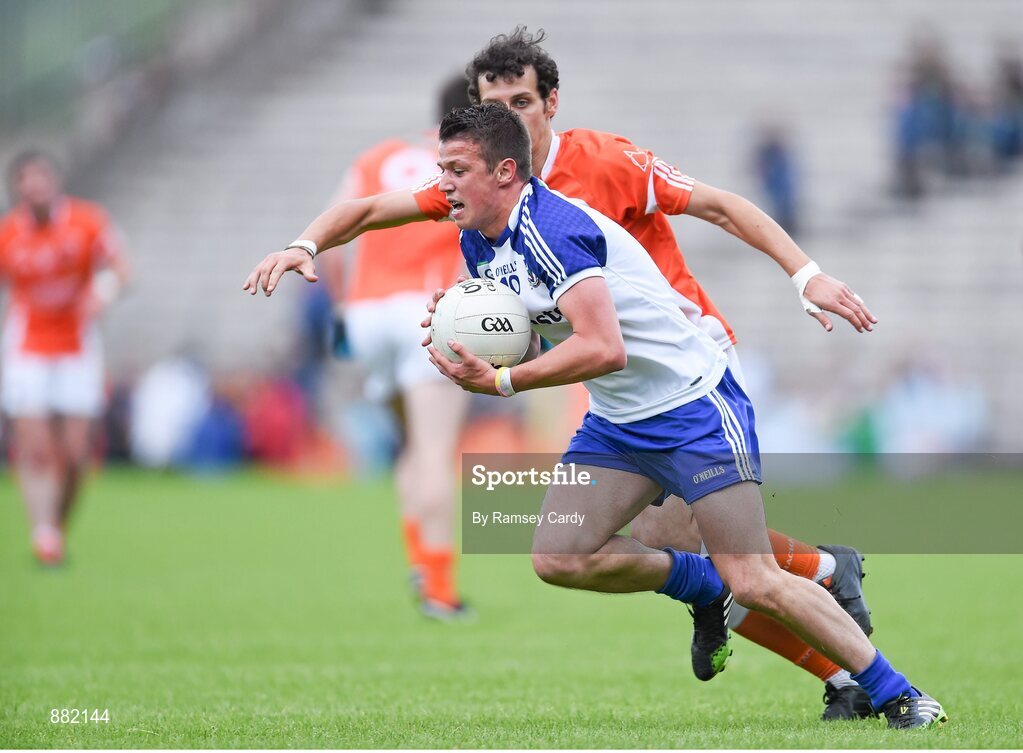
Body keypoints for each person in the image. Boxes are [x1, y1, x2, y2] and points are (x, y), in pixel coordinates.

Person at [242, 29, 879, 720]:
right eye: (496, 103)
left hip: (684, 359)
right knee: (678, 549)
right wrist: (303, 244)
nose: (512, 114)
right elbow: (368, 212)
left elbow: (720, 204)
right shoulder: (484, 180)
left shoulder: (604, 161)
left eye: (523, 100)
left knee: (699, 555)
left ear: (551, 102)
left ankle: (843, 661)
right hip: (611, 378)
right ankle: (823, 579)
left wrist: (806, 275)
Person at [423, 102, 946, 729]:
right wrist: (477, 345)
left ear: (505, 172)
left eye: (457, 168)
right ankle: (703, 584)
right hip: (619, 421)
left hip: (692, 407)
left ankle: (901, 694)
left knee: (752, 580)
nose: (442, 183)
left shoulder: (552, 230)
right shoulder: (477, 241)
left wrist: (504, 379)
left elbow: (602, 347)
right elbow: (544, 342)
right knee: (559, 556)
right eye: (441, 168)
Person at [317, 76, 473, 619]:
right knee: (435, 451)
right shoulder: (470, 162)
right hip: (426, 312)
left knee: (410, 443)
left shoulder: (377, 156)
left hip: (365, 315)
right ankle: (440, 588)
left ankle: (415, 557)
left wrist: (342, 308)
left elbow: (334, 242)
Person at [0, 150, 130, 565]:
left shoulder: (88, 221)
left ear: (54, 182)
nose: (34, 186)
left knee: (75, 454)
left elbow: (123, 269)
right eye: (26, 180)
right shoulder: (8, 234)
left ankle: (55, 526)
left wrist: (103, 292)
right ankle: (44, 537)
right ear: (17, 188)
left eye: (41, 178)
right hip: (28, 346)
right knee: (35, 446)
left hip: (77, 344)